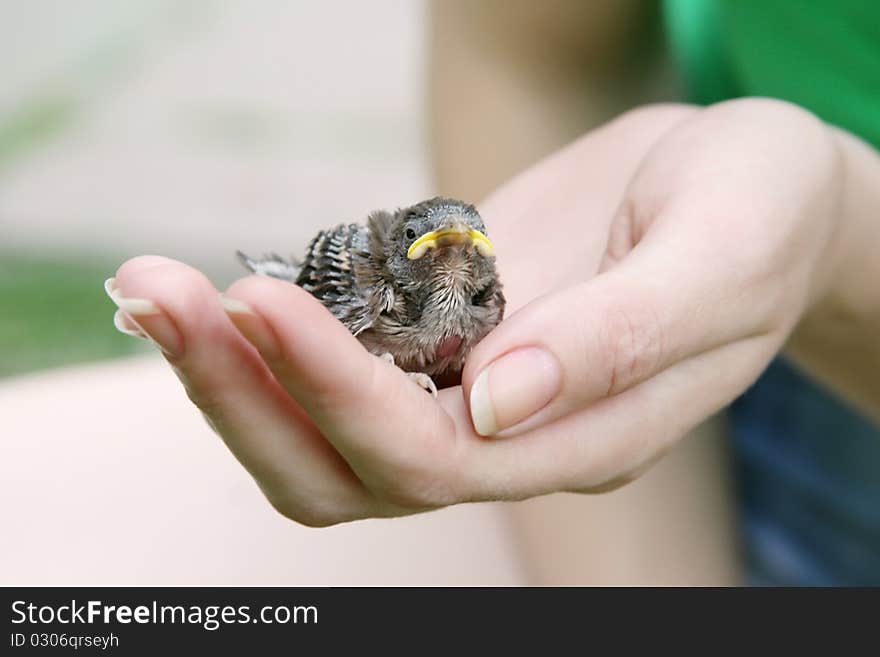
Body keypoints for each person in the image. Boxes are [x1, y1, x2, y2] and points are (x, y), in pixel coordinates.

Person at [106, 1, 880, 584]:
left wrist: (836, 229)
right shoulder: (380, 287)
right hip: (725, 354)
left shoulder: (486, 306)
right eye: (437, 250)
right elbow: (530, 57)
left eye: (468, 252)